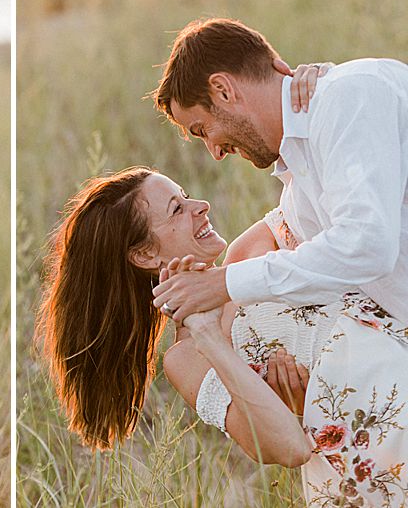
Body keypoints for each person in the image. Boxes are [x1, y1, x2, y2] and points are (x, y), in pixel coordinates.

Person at [39, 166, 408, 505]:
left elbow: (337, 205)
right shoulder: (188, 357)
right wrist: (208, 334)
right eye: (176, 209)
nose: (200, 206)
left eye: (185, 195)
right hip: (379, 462)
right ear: (146, 254)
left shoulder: (254, 249)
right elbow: (291, 449)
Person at [148, 18, 408, 328]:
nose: (215, 152)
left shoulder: (349, 95)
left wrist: (224, 284)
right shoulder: (297, 193)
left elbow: (367, 244)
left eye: (202, 129)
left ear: (223, 90)